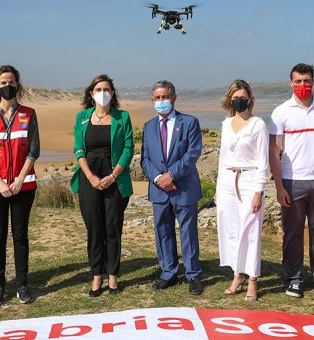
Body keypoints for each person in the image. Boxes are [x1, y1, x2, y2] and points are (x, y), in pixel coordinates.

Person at [268, 63, 314, 301]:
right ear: (291, 83)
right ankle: (293, 279)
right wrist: (279, 186)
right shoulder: (281, 112)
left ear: (313, 82)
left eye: (307, 81)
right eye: (298, 81)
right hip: (292, 181)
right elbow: (274, 150)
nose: (303, 85)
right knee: (292, 232)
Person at [0, 65, 40, 304]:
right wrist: (2, 182)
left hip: (24, 186)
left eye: (11, 82)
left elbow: (34, 150)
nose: (7, 86)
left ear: (18, 84)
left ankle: (22, 284)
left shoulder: (29, 114)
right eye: (3, 83)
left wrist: (20, 179)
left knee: (21, 236)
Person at [70, 74, 134, 297]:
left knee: (112, 227)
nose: (103, 93)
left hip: (114, 178)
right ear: (91, 93)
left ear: (113, 93)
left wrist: (113, 176)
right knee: (94, 229)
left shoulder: (122, 117)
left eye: (107, 89)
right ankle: (97, 274)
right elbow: (79, 149)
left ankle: (113, 275)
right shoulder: (82, 117)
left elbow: (128, 149)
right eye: (98, 89)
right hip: (89, 179)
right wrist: (90, 177)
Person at [140, 80, 204, 295]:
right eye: (157, 98)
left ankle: (193, 274)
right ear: (152, 101)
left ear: (174, 98)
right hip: (159, 189)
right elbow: (145, 159)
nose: (161, 101)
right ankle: (168, 272)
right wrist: (159, 177)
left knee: (188, 232)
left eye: (164, 97)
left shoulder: (189, 122)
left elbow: (192, 153)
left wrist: (171, 175)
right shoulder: (148, 126)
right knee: (163, 231)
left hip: (183, 187)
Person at [216, 80, 269, 302]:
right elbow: (221, 157)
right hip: (227, 180)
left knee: (251, 230)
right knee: (231, 229)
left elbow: (263, 160)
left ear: (250, 100)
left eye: (243, 97)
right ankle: (237, 275)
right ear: (230, 100)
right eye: (235, 97)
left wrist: (259, 191)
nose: (239, 101)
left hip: (248, 180)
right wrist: (219, 188)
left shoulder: (258, 125)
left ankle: (253, 279)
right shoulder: (226, 124)